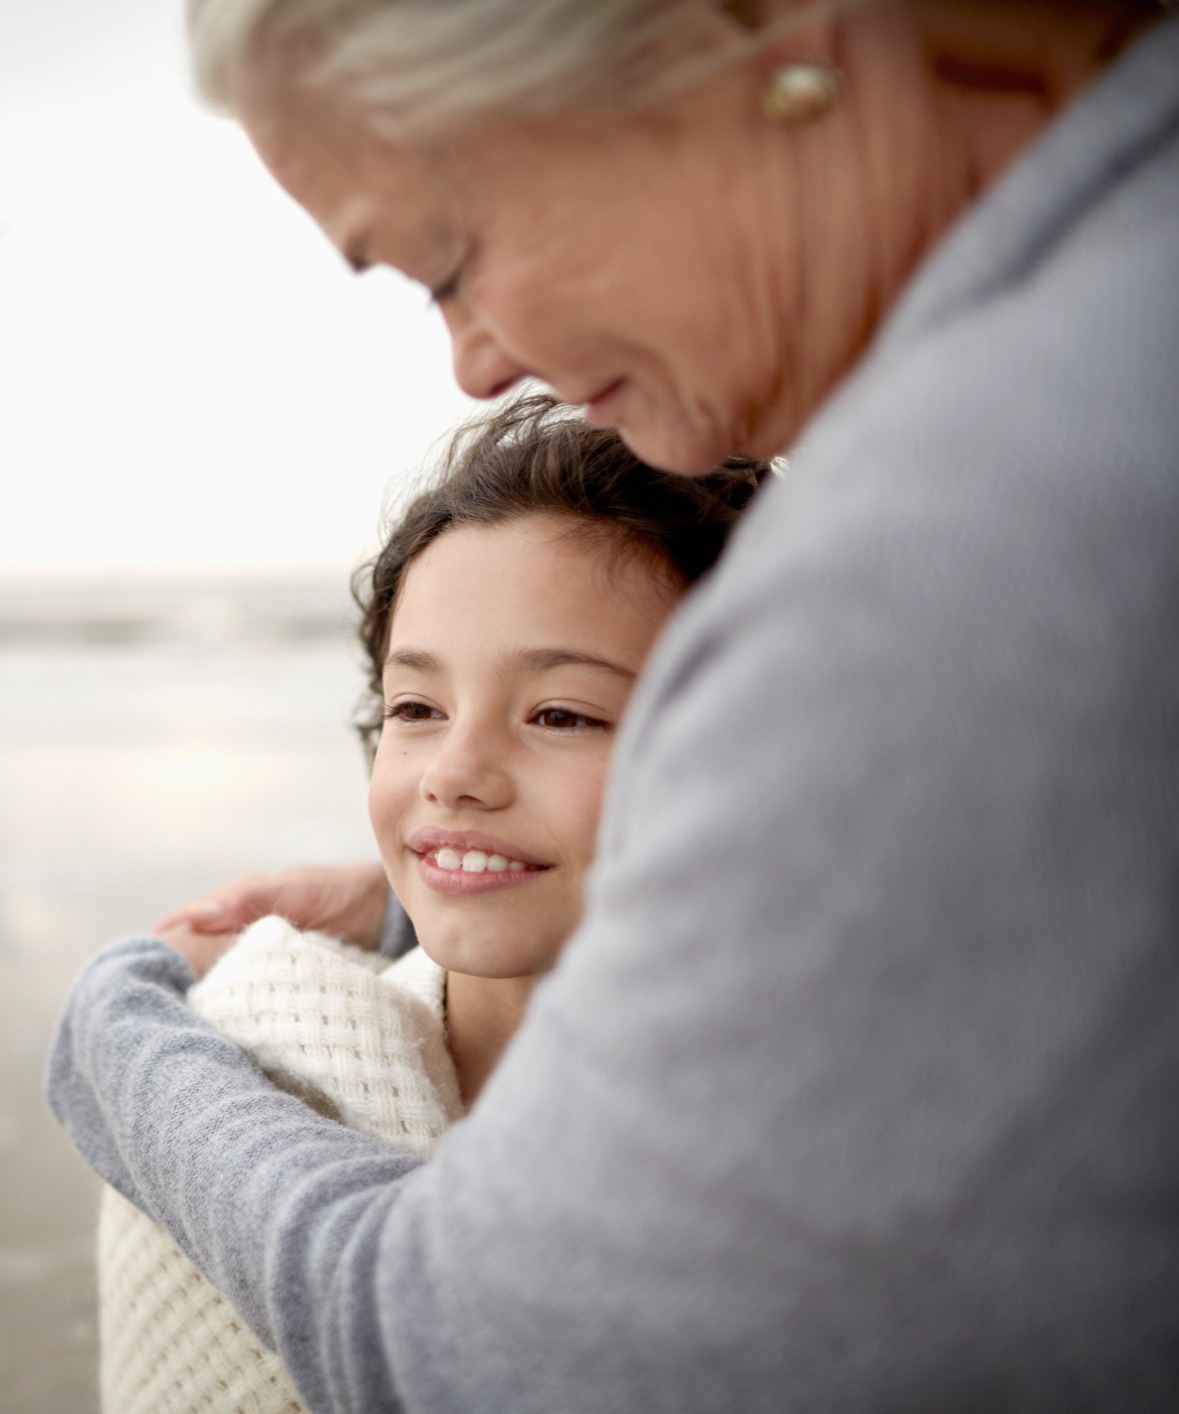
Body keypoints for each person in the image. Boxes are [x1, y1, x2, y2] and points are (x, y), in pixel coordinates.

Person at [48, 2, 1179, 1410]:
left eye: (450, 257)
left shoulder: (977, 530)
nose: (473, 357)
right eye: (410, 706)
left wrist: (118, 1032)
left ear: (751, 29)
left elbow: (476, 1351)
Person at [95, 393, 767, 1414]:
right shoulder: (265, 1052)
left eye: (561, 713)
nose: (453, 773)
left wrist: (110, 1012)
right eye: (416, 707)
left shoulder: (839, 1147)